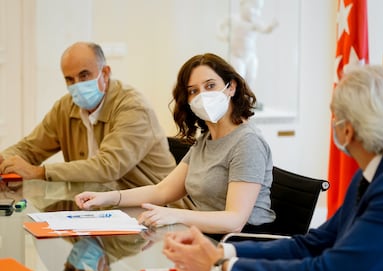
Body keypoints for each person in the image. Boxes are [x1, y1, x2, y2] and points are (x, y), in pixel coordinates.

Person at [162, 64, 383, 271]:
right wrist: (222, 251)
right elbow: (311, 244)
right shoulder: (373, 173)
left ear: (346, 129)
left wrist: (221, 269)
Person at [75, 53, 275, 236]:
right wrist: (107, 198)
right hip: (206, 237)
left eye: (210, 86)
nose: (202, 96)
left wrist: (177, 215)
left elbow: (235, 220)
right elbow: (161, 192)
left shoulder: (248, 142)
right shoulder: (206, 140)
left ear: (231, 87)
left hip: (243, 244)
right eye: (193, 91)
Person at [0, 41, 177, 191]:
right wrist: (5, 161)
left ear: (105, 73)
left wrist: (40, 172)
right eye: (69, 79)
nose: (77, 85)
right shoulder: (65, 106)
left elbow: (107, 166)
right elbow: (30, 149)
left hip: (155, 212)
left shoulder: (133, 107)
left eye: (84, 75)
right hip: (97, 210)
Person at [218, 0, 277, 89]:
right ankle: (238, 97)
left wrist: (271, 27)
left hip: (250, 56)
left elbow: (265, 29)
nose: (256, 12)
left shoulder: (254, 22)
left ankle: (247, 97)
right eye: (253, 7)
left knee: (251, 77)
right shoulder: (234, 18)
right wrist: (223, 35)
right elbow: (220, 25)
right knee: (238, 76)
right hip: (236, 56)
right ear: (243, 4)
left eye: (258, 9)